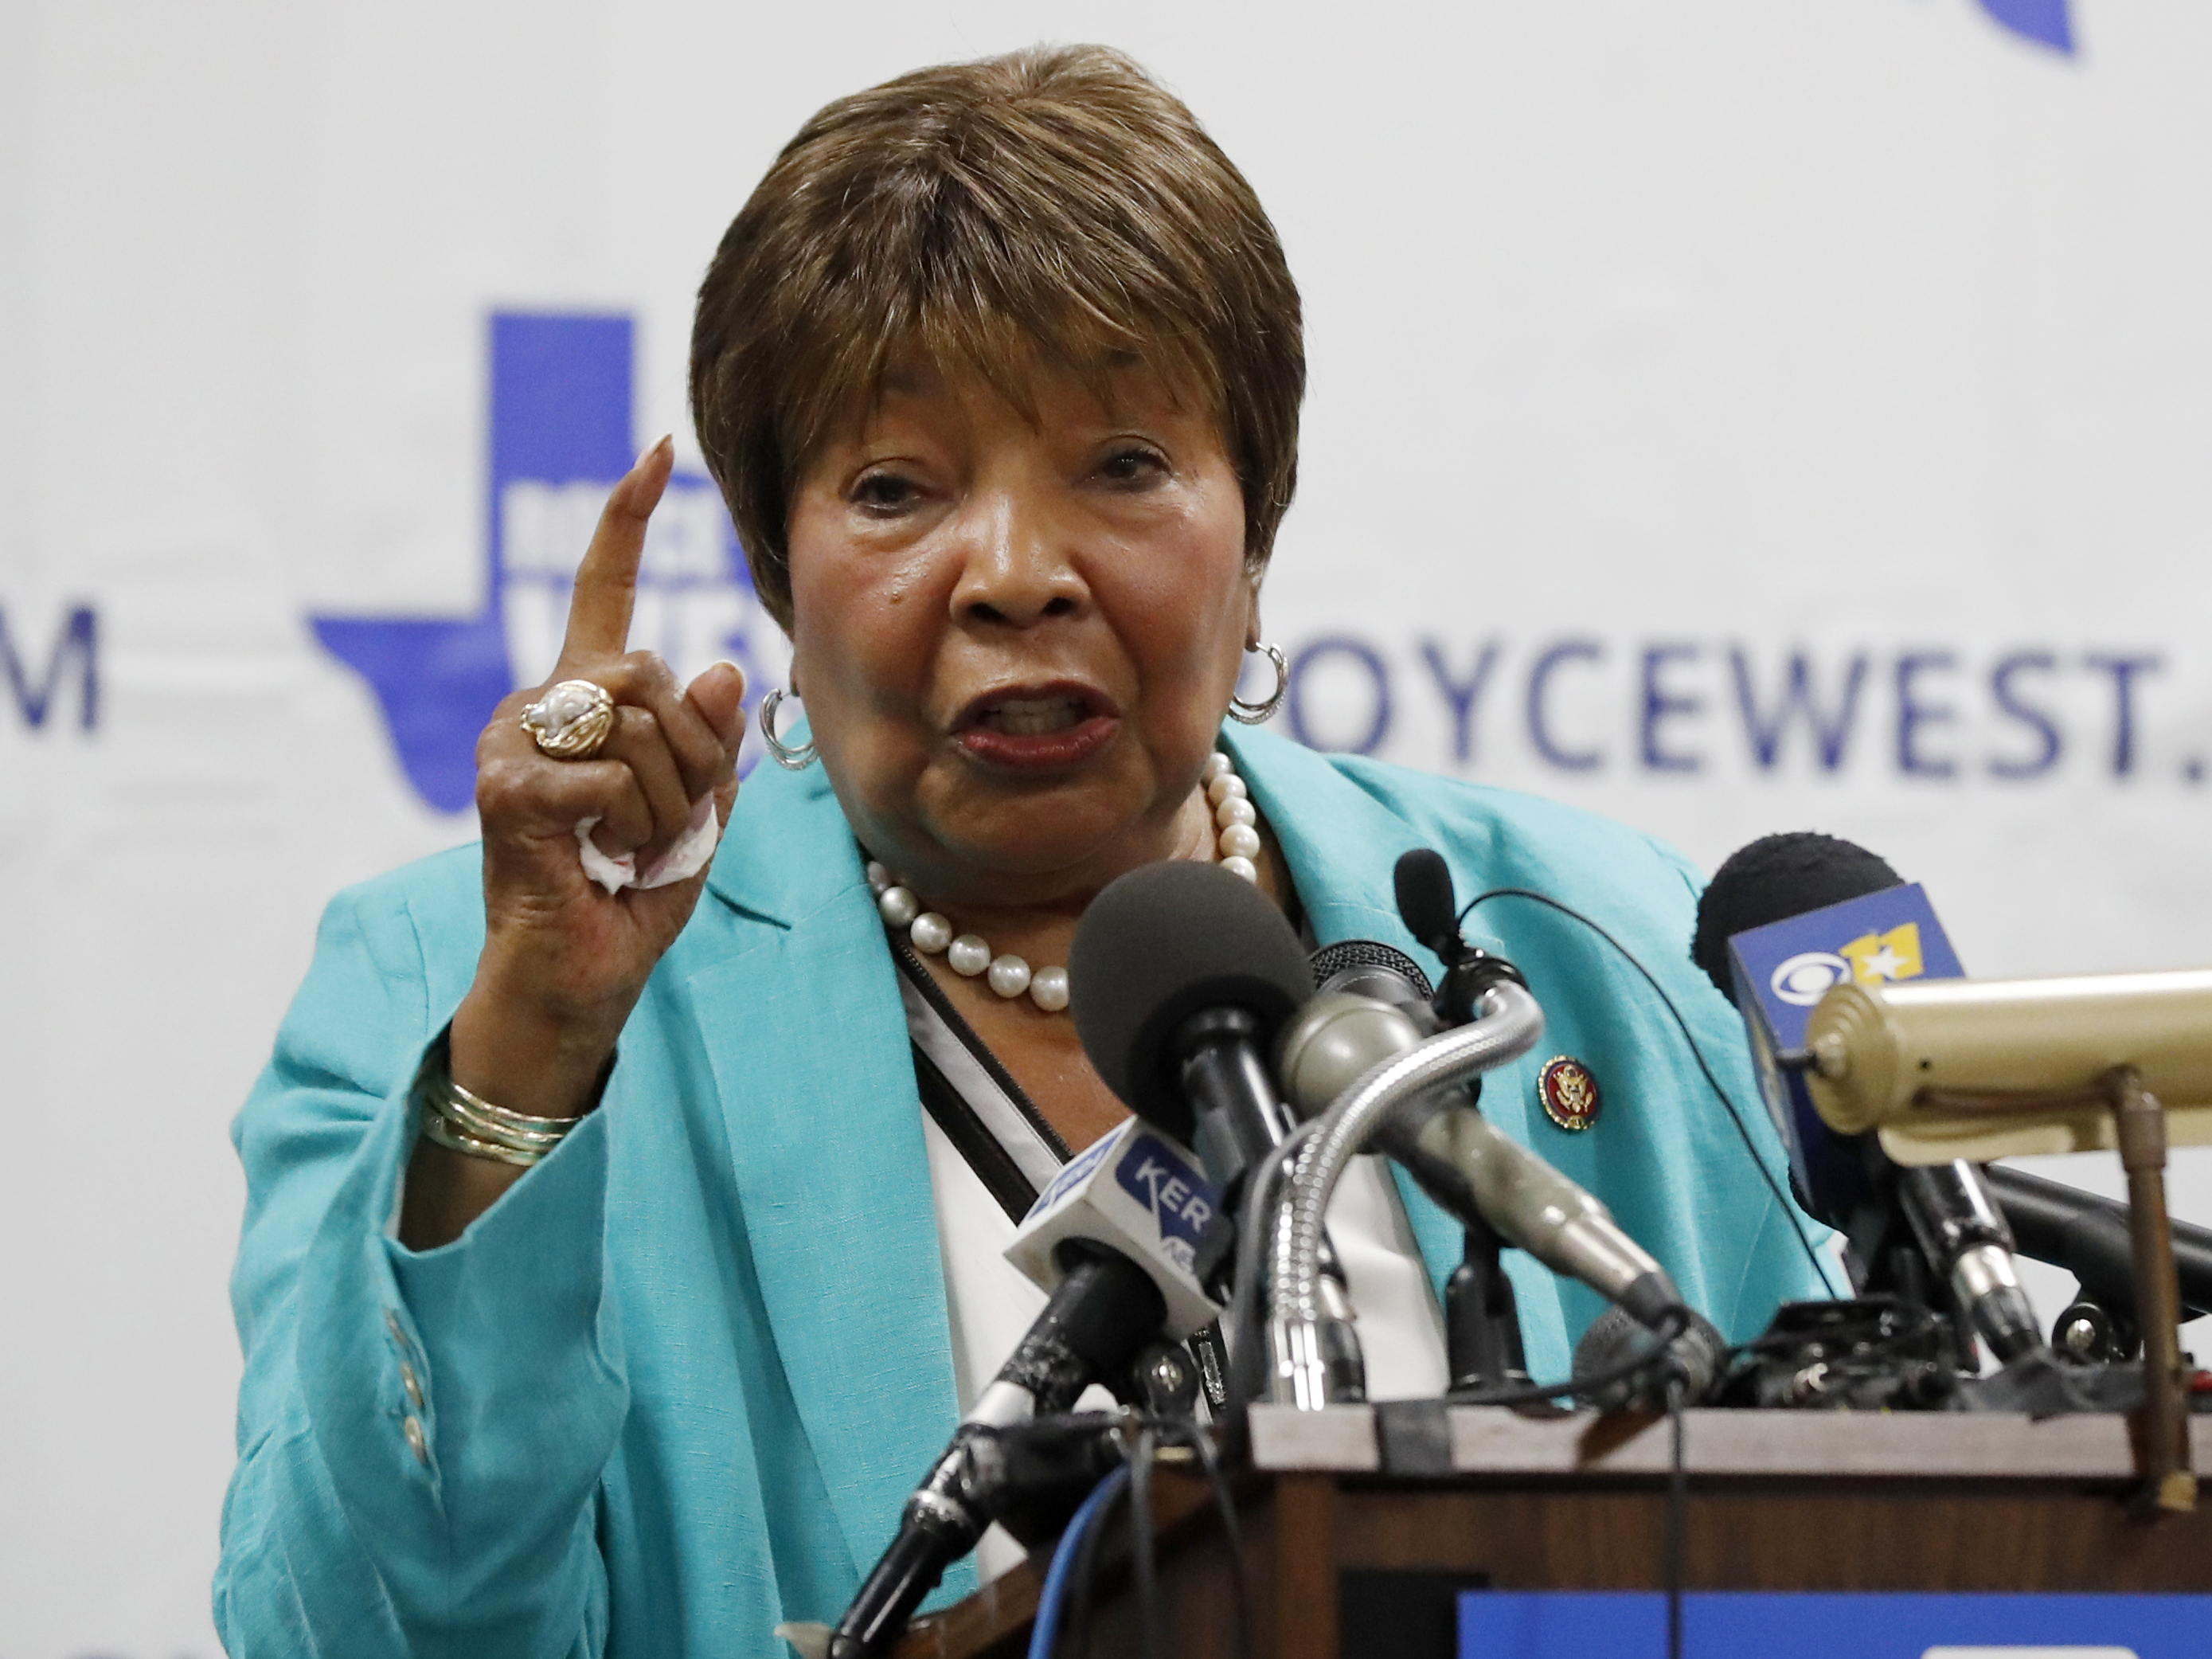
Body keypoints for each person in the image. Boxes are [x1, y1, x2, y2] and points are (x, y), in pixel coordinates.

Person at [217, 45, 1829, 1658]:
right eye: (899, 487)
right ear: (784, 574)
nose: (1013, 572)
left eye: (1123, 465)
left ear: (1255, 534)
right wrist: (541, 1045)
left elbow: (1856, 1546)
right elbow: (355, 1631)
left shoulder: (1588, 945)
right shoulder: (457, 992)